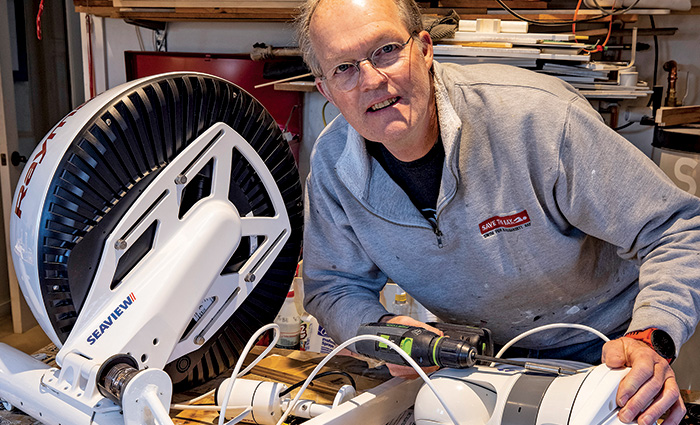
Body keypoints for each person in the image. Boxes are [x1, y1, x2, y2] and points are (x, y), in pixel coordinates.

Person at [295, 0, 699, 423]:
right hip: (478, 362)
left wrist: (652, 334)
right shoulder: (333, 164)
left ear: (426, 49)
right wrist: (386, 334)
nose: (372, 80)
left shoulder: (536, 119)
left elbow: (677, 227)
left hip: (610, 352)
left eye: (386, 50)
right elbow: (333, 286)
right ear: (325, 89)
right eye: (344, 68)